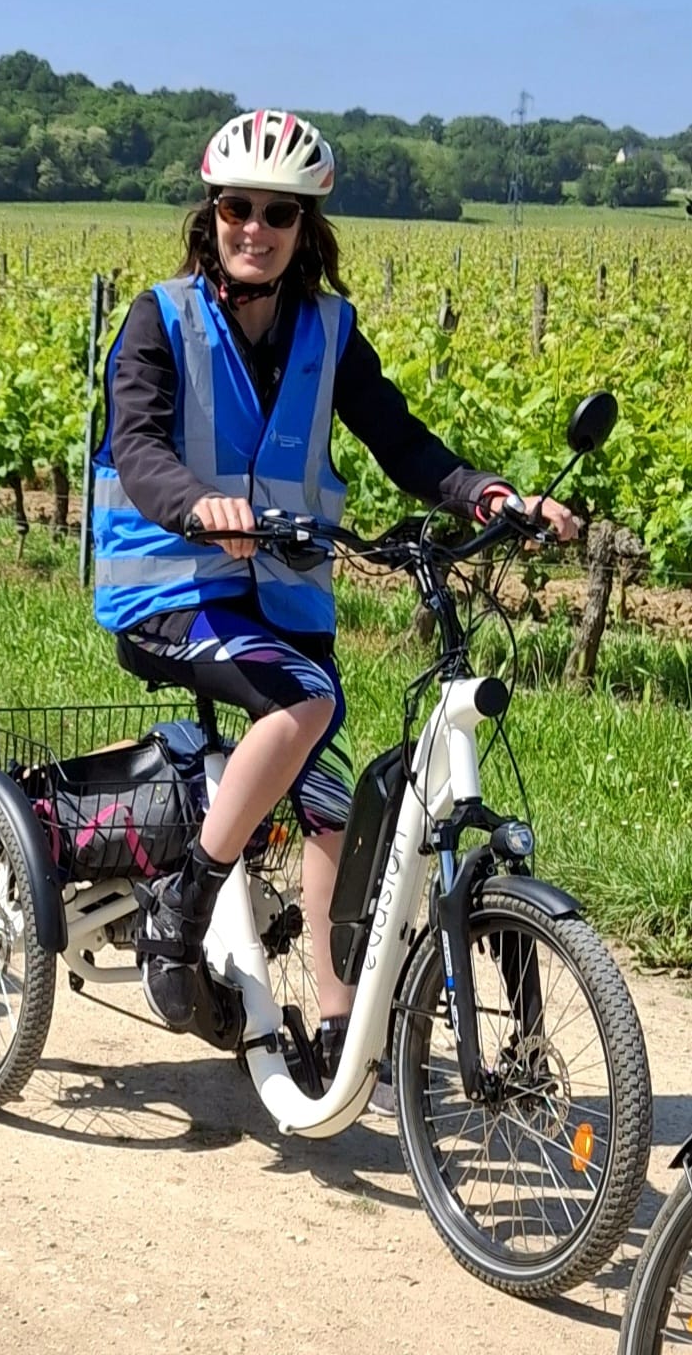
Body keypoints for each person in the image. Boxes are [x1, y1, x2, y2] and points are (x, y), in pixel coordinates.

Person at [91, 108, 577, 1088]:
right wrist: (195, 506)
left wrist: (488, 494)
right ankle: (181, 906)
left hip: (278, 599)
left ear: (304, 226)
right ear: (210, 215)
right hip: (170, 586)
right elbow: (136, 444)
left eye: (279, 213)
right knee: (305, 704)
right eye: (238, 207)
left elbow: (399, 439)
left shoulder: (326, 329)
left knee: (335, 813)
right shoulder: (160, 318)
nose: (255, 227)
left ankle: (335, 1025)